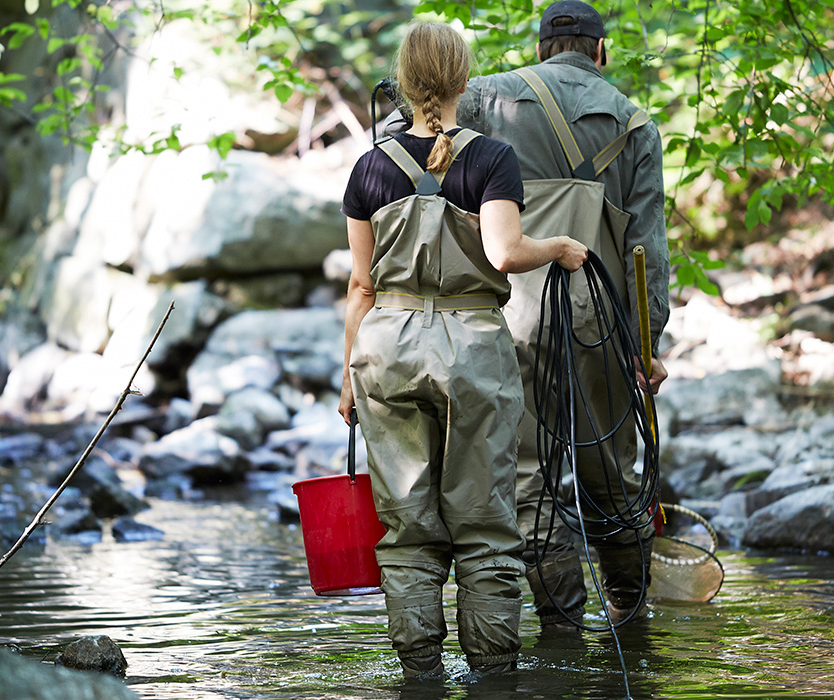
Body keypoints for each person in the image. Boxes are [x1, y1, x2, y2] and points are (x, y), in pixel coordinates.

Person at [336, 22, 588, 678]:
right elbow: (505, 253)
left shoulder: (369, 167)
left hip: (385, 350)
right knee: (483, 524)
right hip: (471, 349)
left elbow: (361, 286)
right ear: (463, 83)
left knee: (408, 528)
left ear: (404, 80)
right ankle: (493, 679)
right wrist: (558, 248)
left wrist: (345, 381)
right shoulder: (492, 158)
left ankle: (420, 675)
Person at [452, 0, 672, 628]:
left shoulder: (485, 100)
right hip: (598, 318)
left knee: (528, 479)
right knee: (612, 473)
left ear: (542, 48)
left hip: (508, 317)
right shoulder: (635, 124)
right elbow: (646, 252)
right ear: (601, 51)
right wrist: (647, 344)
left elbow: (400, 133)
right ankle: (630, 611)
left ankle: (562, 626)